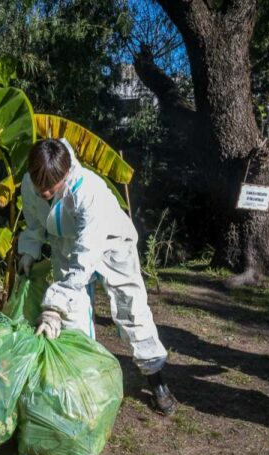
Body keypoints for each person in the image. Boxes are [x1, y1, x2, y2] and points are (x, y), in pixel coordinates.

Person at [17, 138, 178, 415]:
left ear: (66, 175)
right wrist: (28, 251)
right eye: (38, 187)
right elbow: (34, 223)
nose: (43, 193)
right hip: (66, 246)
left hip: (111, 244)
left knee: (131, 309)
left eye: (50, 189)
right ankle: (81, 385)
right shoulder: (30, 185)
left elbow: (86, 255)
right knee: (73, 319)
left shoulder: (87, 191)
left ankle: (156, 379)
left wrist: (53, 305)